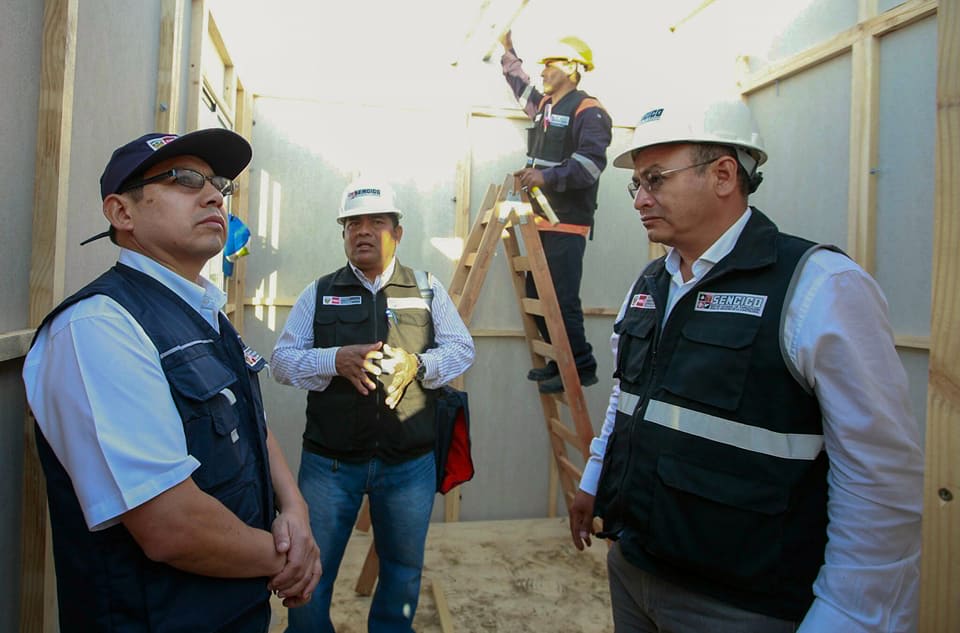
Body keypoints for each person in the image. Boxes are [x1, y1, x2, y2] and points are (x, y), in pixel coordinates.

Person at [567, 97, 924, 632]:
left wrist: (848, 616)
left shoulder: (818, 287)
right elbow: (628, 395)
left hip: (742, 607)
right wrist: (594, 476)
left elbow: (879, 479)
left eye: (655, 179)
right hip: (634, 571)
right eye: (635, 184)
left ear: (724, 174)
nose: (639, 199)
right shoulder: (650, 285)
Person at [22, 129, 321, 633]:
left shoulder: (205, 312)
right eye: (184, 179)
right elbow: (171, 527)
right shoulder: (99, 327)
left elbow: (251, 422)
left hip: (236, 607)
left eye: (217, 184)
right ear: (122, 213)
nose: (212, 196)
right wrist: (288, 559)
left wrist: (295, 508)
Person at [271, 179, 475, 633]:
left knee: (402, 573)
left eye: (376, 222)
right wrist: (333, 360)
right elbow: (281, 363)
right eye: (353, 224)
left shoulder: (427, 289)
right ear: (343, 233)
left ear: (397, 233)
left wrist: (417, 365)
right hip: (330, 466)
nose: (363, 231)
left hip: (409, 465)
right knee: (308, 574)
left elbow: (462, 349)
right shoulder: (319, 292)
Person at [499, 30, 613, 393]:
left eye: (551, 64)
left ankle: (581, 365)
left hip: (566, 223)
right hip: (541, 220)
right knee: (539, 292)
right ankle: (558, 362)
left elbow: (591, 166)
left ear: (574, 68)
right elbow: (521, 88)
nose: (544, 70)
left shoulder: (588, 110)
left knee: (562, 298)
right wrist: (508, 51)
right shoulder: (546, 105)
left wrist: (544, 177)